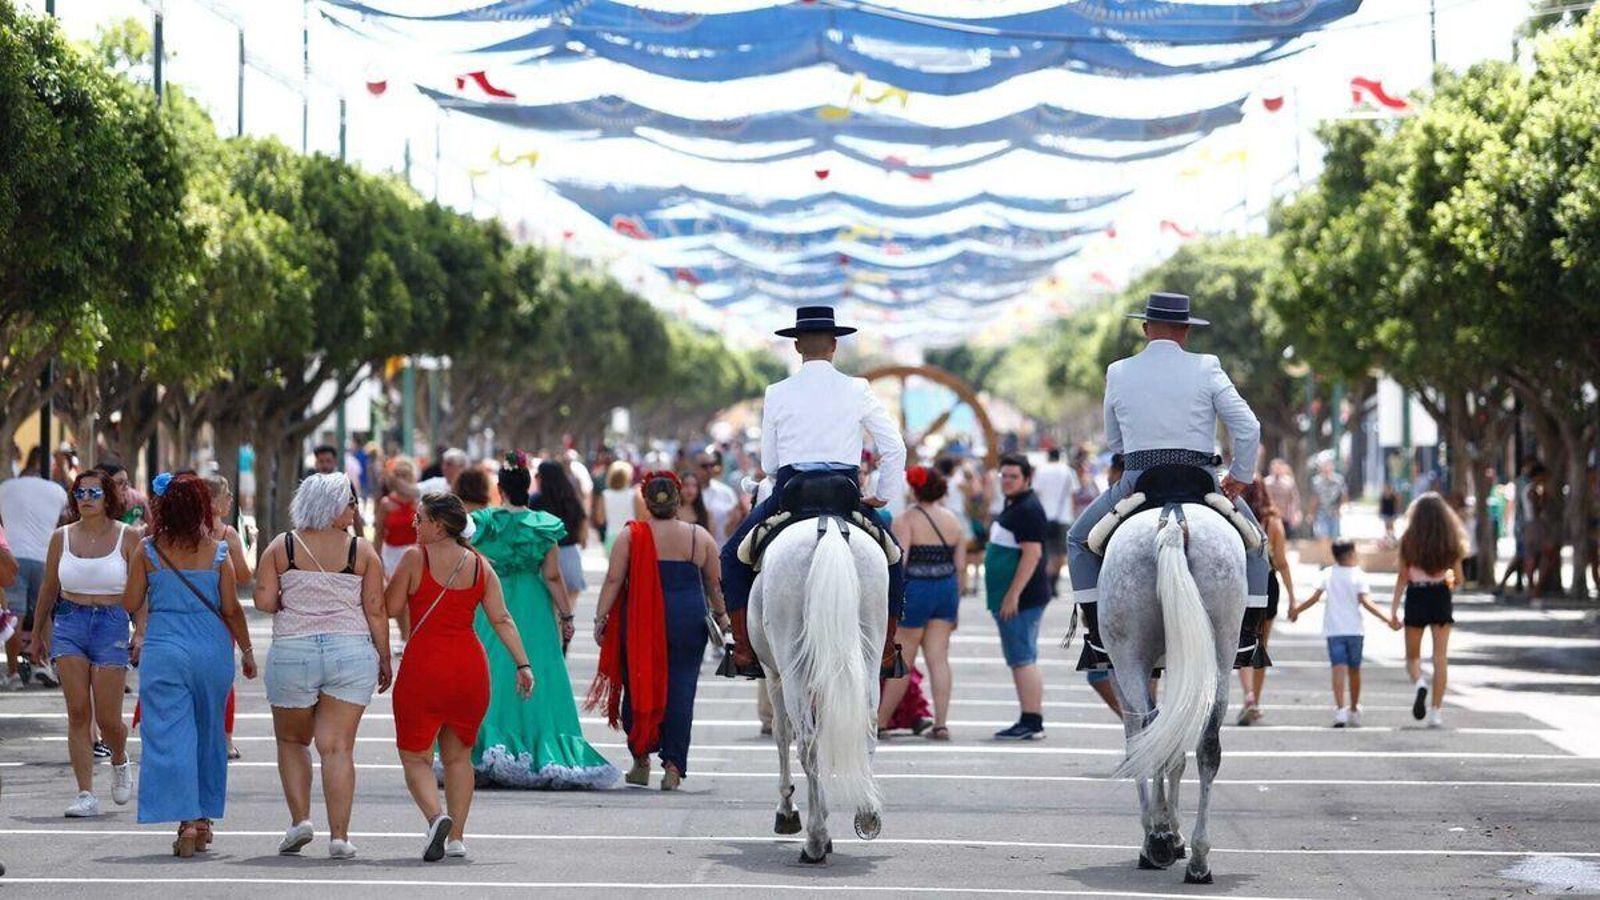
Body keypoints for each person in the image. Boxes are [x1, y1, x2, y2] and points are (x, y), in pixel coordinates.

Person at [1065, 292, 1269, 671]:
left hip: (1139, 480)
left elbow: (1115, 441)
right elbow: (1248, 426)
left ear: (1145, 328)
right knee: (1257, 546)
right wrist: (1240, 476)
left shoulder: (1118, 370)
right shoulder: (1208, 367)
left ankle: (1096, 637)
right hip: (1202, 480)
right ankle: (1246, 638)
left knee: (1078, 541)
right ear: (1186, 332)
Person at [718, 306, 907, 680]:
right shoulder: (858, 388)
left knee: (731, 557)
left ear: (797, 346)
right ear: (834, 346)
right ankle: (885, 650)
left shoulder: (777, 392)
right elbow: (894, 447)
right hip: (846, 494)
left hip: (791, 493)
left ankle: (742, 649)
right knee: (893, 558)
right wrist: (883, 494)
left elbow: (770, 464)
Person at [386, 492, 534, 861]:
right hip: (469, 669)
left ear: (439, 525)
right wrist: (523, 664)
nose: (414, 524)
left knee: (415, 757)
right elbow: (502, 618)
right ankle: (457, 838)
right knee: (459, 757)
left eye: (420, 519)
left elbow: (389, 606)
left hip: (424, 668)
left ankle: (437, 818)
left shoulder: (413, 559)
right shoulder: (481, 566)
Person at [253, 473, 390, 859]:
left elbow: (263, 600)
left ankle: (300, 821)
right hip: (350, 652)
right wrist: (384, 657)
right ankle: (340, 837)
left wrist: (289, 600)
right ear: (332, 507)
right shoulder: (361, 552)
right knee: (338, 748)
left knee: (292, 741)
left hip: (293, 650)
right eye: (350, 503)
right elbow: (376, 610)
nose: (355, 509)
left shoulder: (283, 546)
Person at [121, 473, 257, 857]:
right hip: (210, 649)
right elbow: (230, 608)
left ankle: (187, 820)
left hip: (165, 649)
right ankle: (204, 817)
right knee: (209, 732)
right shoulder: (217, 552)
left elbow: (131, 601)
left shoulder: (148, 550)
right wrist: (246, 650)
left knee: (169, 735)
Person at [469, 453, 617, 788]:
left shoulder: (483, 522)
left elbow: (468, 560)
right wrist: (566, 614)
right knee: (539, 669)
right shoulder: (542, 525)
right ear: (528, 487)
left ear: (500, 488)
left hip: (492, 600)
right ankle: (540, 743)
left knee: (492, 666)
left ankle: (486, 743)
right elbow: (552, 576)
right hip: (533, 605)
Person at [589, 472, 726, 790]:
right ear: (679, 501)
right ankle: (674, 767)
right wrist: (722, 617)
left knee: (638, 684)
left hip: (640, 622)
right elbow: (714, 584)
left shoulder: (630, 536)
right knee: (681, 690)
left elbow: (613, 580)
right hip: (687, 622)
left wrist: (600, 618)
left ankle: (641, 760)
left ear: (646, 503)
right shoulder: (698, 536)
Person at [29, 470, 140, 816]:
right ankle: (85, 793)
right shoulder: (60, 537)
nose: (86, 497)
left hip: (112, 623)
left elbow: (142, 590)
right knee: (78, 712)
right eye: (80, 492)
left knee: (108, 720)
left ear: (108, 497)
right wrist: (36, 633)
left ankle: (119, 758)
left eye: (94, 492)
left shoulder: (128, 536)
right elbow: (48, 587)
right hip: (70, 622)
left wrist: (143, 630)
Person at [876, 465, 964, 740]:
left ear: (914, 489)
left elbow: (899, 563)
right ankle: (941, 723)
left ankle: (879, 721)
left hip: (916, 591)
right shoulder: (953, 521)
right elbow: (960, 566)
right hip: (946, 590)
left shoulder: (906, 520)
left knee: (905, 659)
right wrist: (956, 603)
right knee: (939, 659)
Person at [1288, 540, 1391, 727]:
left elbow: (1314, 598)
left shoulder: (1328, 574)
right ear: (1351, 554)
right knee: (1355, 670)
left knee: (1338, 669)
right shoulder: (1359, 575)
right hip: (1355, 631)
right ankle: (1353, 708)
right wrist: (1387, 618)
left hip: (1334, 631)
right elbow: (1366, 602)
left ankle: (1340, 709)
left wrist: (1296, 611)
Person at [986, 454, 1051, 740]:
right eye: (1004, 476)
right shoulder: (1015, 505)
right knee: (1022, 656)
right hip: (1013, 597)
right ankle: (1029, 717)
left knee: (1022, 657)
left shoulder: (1028, 509)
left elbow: (1032, 554)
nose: (1007, 481)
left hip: (1022, 599)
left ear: (1027, 478)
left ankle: (1031, 719)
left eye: (1013, 476)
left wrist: (1013, 595)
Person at [1389, 492, 1468, 729]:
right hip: (1440, 595)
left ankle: (1420, 683)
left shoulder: (1409, 540)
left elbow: (1402, 576)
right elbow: (1458, 579)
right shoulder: (1450, 541)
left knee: (1412, 657)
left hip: (1416, 595)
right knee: (1440, 658)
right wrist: (1447, 580)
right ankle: (1436, 712)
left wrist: (1393, 610)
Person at [1, 446, 68, 688]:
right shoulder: (57, 491)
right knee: (45, 614)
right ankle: (43, 664)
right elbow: (64, 523)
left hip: (13, 557)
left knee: (14, 617)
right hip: (45, 558)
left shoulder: (5, 488)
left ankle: (13, 673)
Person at [1236, 477, 1297, 726]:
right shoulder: (1273, 522)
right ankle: (1256, 700)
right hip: (1268, 583)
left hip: (1241, 584)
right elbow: (1281, 562)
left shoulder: (1235, 517)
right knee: (1260, 645)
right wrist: (1293, 598)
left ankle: (1248, 694)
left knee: (1243, 644)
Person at [203, 474, 251, 760]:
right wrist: (251, 545)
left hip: (188, 616)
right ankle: (225, 738)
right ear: (216, 503)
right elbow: (245, 576)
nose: (231, 500)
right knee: (222, 680)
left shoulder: (180, 532)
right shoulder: (226, 535)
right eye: (227, 495)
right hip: (221, 616)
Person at [532, 460, 590, 598]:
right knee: (569, 612)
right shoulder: (571, 499)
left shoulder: (536, 501)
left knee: (551, 612)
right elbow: (583, 529)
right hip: (570, 555)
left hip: (544, 558)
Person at [1031, 447, 1079, 597]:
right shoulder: (1068, 471)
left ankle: (1045, 582)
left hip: (1044, 516)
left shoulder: (1041, 470)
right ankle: (1053, 583)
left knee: (1045, 551)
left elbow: (1036, 493)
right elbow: (1073, 496)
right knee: (1060, 553)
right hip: (1064, 516)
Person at [375, 458, 421, 577]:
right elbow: (378, 534)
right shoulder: (386, 503)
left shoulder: (419, 503)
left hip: (415, 553)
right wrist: (377, 559)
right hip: (391, 555)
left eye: (405, 476)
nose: (401, 480)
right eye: (398, 475)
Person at [313, 444, 366, 533]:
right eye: (321, 461)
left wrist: (361, 542)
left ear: (335, 462)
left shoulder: (346, 485)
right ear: (316, 463)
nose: (325, 465)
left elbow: (356, 516)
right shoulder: (310, 487)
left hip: (341, 540)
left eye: (328, 461)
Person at [697, 450, 743, 547]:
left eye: (712, 465)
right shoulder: (686, 493)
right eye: (704, 466)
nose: (709, 469)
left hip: (722, 549)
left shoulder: (726, 492)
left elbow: (737, 519)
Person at [600, 461, 640, 553]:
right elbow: (639, 518)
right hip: (631, 535)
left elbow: (600, 519)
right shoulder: (634, 495)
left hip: (611, 536)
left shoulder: (605, 495)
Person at [1308, 457, 1348, 541]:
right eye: (1324, 466)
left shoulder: (1339, 480)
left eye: (1328, 466)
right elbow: (1314, 498)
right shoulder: (1316, 481)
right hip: (1321, 513)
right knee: (1323, 537)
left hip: (1334, 513)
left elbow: (1344, 496)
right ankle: (1324, 553)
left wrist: (1341, 508)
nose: (1326, 469)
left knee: (1334, 539)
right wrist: (1311, 514)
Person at [1264, 458, 1302, 538]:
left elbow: (1294, 499)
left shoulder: (1289, 482)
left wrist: (1293, 513)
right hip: (1271, 516)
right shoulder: (1266, 482)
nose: (1277, 470)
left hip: (1285, 516)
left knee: (1286, 537)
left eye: (1279, 467)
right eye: (1274, 467)